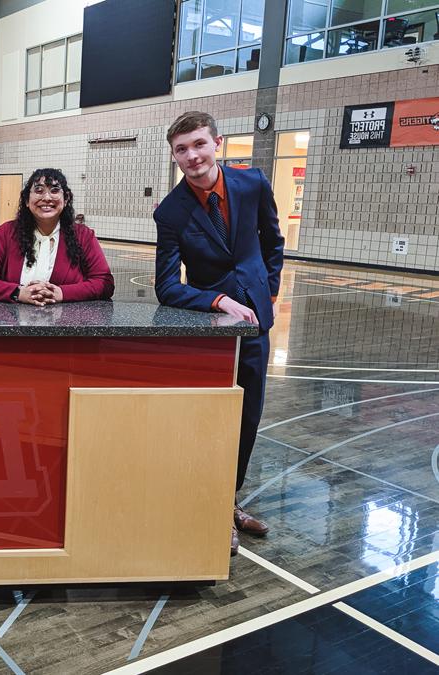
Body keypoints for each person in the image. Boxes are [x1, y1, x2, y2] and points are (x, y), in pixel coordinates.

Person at [153, 111, 284, 556]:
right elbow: (167, 286)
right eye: (181, 149)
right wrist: (218, 301)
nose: (192, 156)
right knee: (211, 421)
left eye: (198, 144)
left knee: (248, 419)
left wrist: (267, 290)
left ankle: (227, 503)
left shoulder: (253, 184)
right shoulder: (170, 212)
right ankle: (206, 507)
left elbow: (273, 242)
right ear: (174, 156)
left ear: (218, 143)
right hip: (211, 333)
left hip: (256, 326)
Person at [0, 169, 114, 305]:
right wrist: (18, 293)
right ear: (27, 201)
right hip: (13, 325)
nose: (47, 198)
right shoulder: (5, 233)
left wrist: (62, 293)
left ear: (66, 199)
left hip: (66, 325)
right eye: (39, 191)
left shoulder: (83, 236)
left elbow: (104, 283)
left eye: (54, 191)